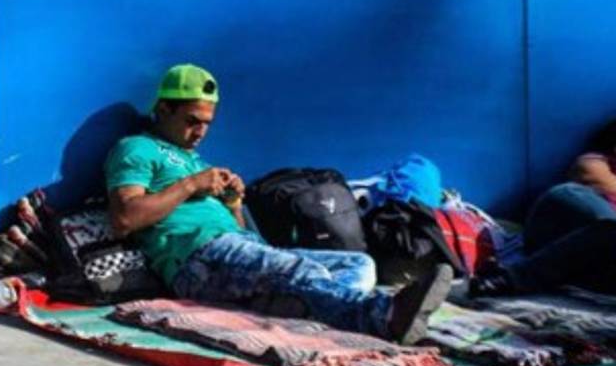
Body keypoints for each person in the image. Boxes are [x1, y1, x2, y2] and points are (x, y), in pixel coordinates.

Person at [104, 64, 451, 346]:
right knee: (304, 272)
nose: (200, 133)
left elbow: (238, 233)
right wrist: (192, 184)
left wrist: (233, 202)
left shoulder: (193, 159)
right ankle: (382, 316)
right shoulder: (136, 148)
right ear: (164, 109)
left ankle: (289, 307)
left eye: (207, 124)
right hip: (195, 259)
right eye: (192, 121)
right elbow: (125, 218)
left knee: (357, 263)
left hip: (234, 250)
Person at [472, 114, 616, 298]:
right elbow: (587, 173)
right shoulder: (613, 163)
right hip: (565, 220)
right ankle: (508, 279)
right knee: (613, 231)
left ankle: (524, 275)